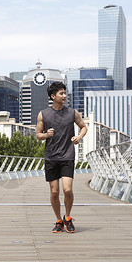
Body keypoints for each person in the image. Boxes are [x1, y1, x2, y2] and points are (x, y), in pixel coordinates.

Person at [36, 82, 87, 233]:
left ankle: (68, 217)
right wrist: (47, 135)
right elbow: (38, 135)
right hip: (51, 156)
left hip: (67, 156)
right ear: (53, 96)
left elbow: (83, 126)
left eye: (65, 93)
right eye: (61, 93)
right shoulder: (43, 114)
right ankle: (59, 220)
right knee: (54, 192)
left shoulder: (72, 113)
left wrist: (79, 137)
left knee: (67, 190)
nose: (64, 96)